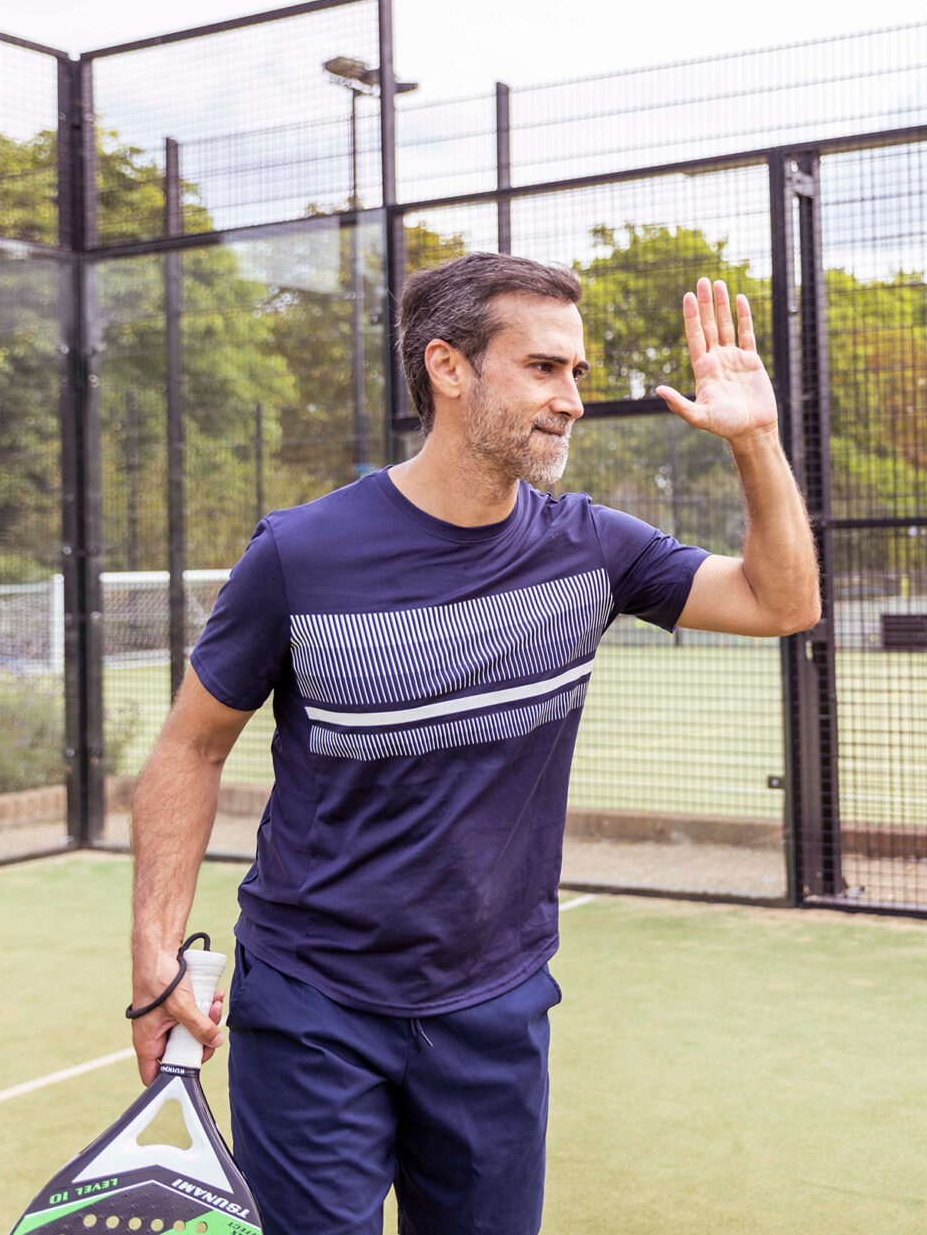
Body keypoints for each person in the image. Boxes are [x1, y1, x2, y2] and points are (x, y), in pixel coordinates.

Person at [126, 256, 818, 1233]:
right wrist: (154, 953)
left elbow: (782, 601)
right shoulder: (299, 554)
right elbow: (188, 750)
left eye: (575, 372)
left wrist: (755, 441)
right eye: (543, 368)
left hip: (495, 1006)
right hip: (314, 1003)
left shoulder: (594, 548)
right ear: (448, 368)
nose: (572, 399)